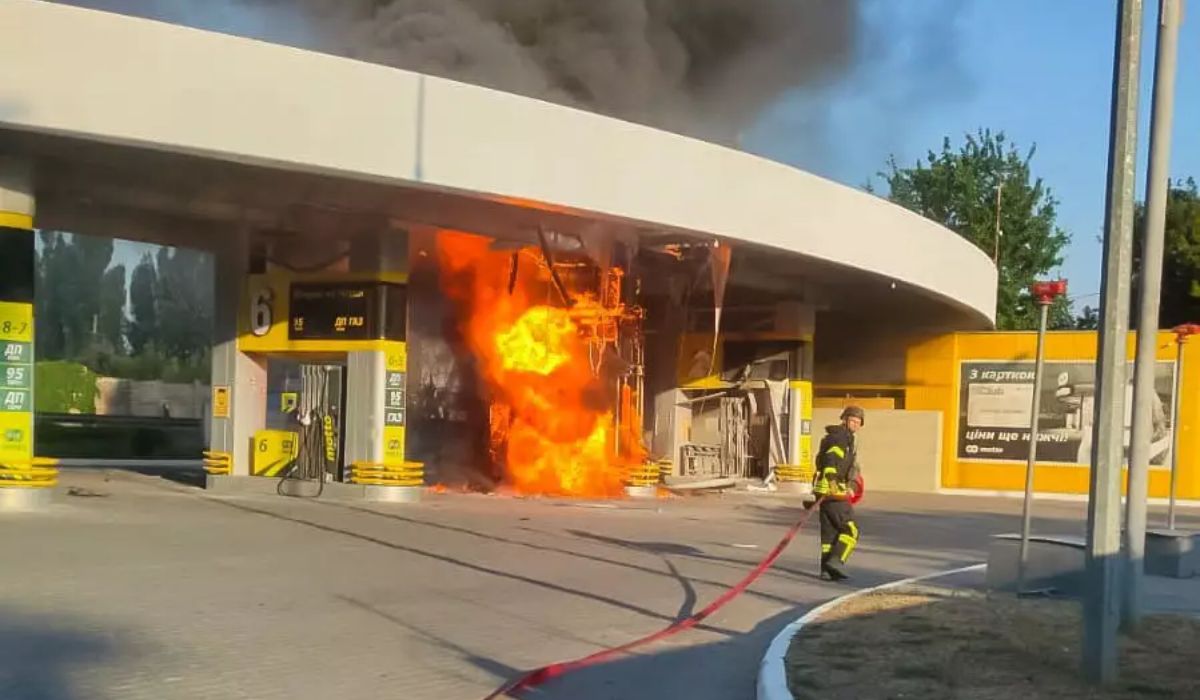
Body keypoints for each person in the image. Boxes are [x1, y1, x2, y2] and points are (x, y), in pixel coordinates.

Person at [812, 405, 864, 581]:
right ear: (844, 420)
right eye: (853, 421)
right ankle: (836, 561)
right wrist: (833, 481)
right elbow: (831, 459)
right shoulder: (841, 437)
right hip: (833, 492)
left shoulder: (839, 438)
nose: (855, 424)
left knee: (830, 534)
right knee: (851, 530)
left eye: (858, 422)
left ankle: (826, 570)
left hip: (823, 492)